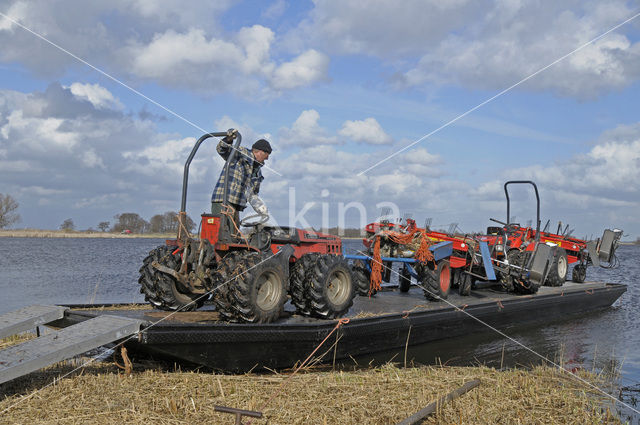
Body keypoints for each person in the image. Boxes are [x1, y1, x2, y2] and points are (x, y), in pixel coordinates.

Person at [211, 136, 272, 231]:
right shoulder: (240, 153)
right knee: (224, 234)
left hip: (235, 204)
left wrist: (261, 207)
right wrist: (229, 139)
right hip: (223, 200)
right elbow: (222, 149)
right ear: (259, 152)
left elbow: (251, 194)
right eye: (267, 155)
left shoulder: (257, 172)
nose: (267, 158)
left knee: (234, 235)